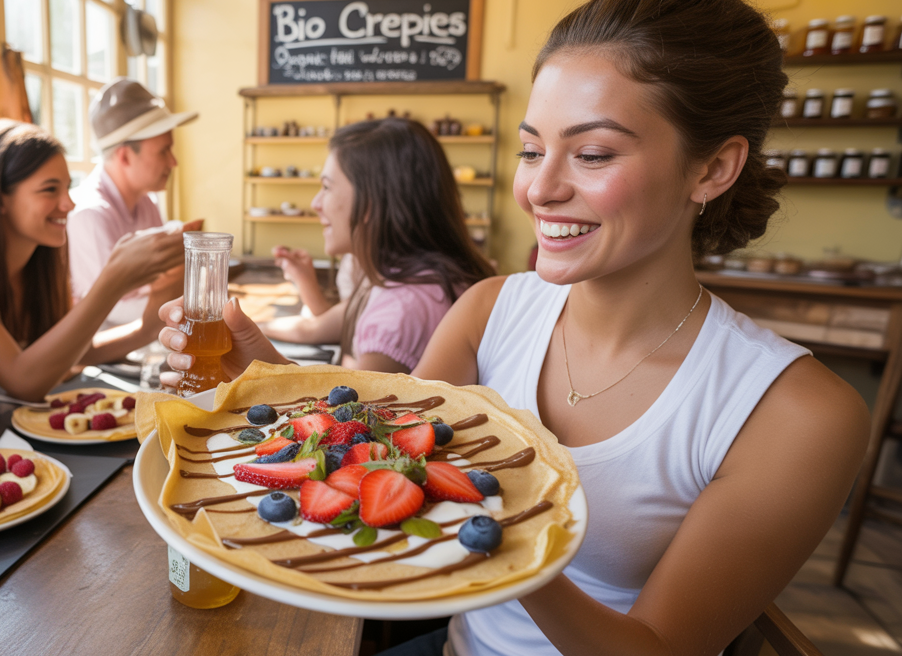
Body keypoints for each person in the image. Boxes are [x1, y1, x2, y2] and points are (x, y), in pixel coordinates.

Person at [156, 1, 871, 654]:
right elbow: (377, 457)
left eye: (592, 154)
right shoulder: (491, 308)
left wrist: (514, 539)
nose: (539, 188)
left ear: (713, 167)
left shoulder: (797, 414)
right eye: (533, 149)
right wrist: (263, 373)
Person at [0, 120, 186, 402]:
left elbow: (70, 353)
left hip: (17, 432)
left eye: (67, 187)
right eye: (50, 189)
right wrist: (114, 280)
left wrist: (148, 326)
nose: (69, 203)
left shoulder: (41, 263)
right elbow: (23, 381)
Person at [260, 118, 494, 373]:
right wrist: (255, 328)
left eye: (326, 187)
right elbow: (320, 327)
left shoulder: (398, 311)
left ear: (370, 203)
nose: (316, 203)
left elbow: (359, 411)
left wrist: (264, 366)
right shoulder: (413, 279)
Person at [68, 78, 199, 328]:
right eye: (163, 151)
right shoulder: (90, 215)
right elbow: (109, 310)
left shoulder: (146, 202)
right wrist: (198, 307)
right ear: (125, 156)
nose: (174, 162)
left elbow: (158, 283)